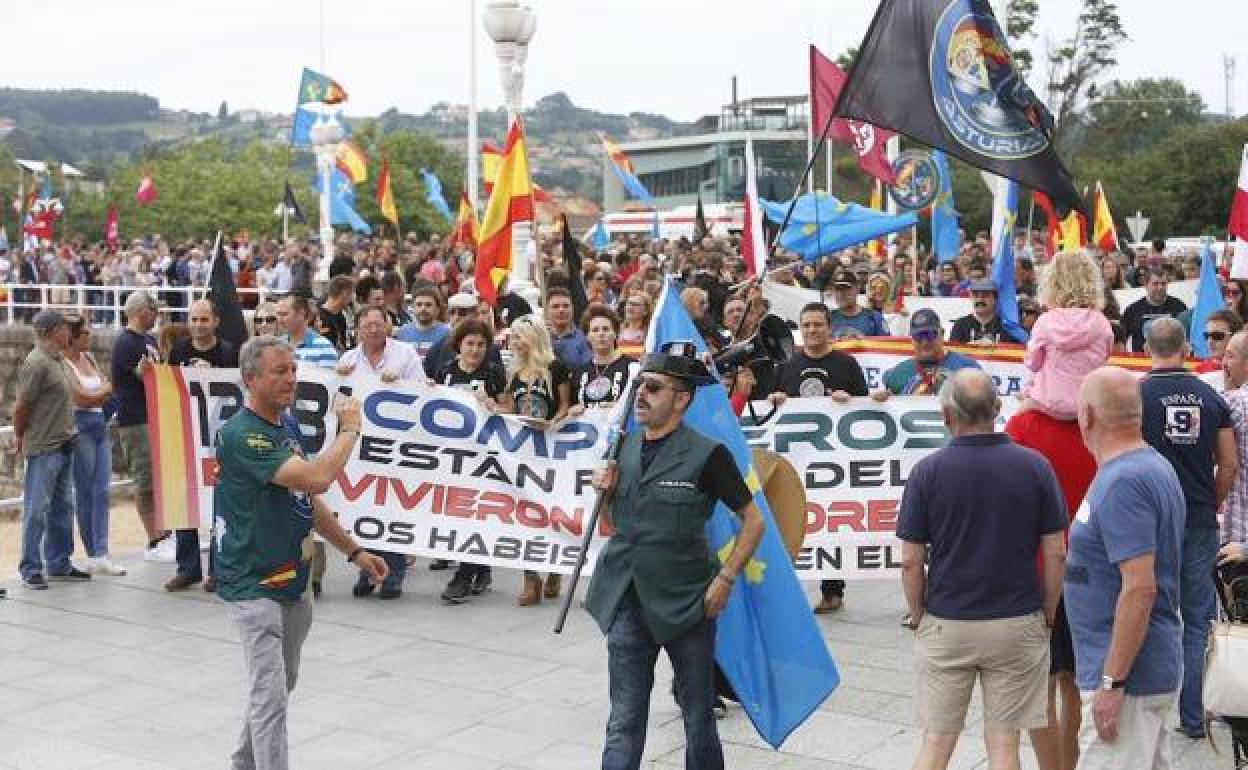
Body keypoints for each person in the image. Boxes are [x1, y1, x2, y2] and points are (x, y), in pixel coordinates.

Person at [586, 341, 765, 770]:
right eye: (640, 387)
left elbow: (753, 520)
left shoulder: (707, 454)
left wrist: (725, 579)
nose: (641, 396)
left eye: (653, 388)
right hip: (628, 597)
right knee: (624, 719)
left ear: (682, 399)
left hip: (688, 601)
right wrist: (606, 493)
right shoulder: (621, 446)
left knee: (698, 716)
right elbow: (618, 522)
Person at [215, 336, 387, 770]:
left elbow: (304, 501)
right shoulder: (242, 435)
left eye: (292, 369)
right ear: (250, 379)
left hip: (292, 581)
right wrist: (350, 429)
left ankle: (242, 762)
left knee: (277, 687)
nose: (291, 378)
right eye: (279, 371)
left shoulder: (285, 426)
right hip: (252, 584)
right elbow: (317, 479)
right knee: (270, 698)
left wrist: (355, 552)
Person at [898, 369, 1066, 770]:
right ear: (997, 408)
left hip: (948, 619)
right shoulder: (1035, 467)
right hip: (1016, 618)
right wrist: (1048, 610)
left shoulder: (927, 472)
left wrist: (918, 611)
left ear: (945, 415)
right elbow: (1057, 551)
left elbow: (910, 559)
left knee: (936, 742)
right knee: (1005, 743)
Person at [1066, 366, 1185, 770]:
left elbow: (1139, 588)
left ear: (1087, 416)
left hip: (1129, 676)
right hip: (1139, 668)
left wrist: (1111, 683)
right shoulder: (1149, 466)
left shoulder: (1124, 481)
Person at [1136, 317, 1238, 740]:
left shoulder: (1136, 394)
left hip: (1150, 519)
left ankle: (1145, 713)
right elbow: (1228, 462)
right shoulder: (1211, 398)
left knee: (1146, 611)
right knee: (1197, 621)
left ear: (1146, 349)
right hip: (1197, 517)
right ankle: (1193, 718)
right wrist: (1211, 498)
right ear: (1186, 348)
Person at [767, 303, 867, 613]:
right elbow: (770, 411)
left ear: (828, 328)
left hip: (833, 459)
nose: (812, 330)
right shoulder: (785, 367)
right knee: (790, 519)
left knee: (831, 520)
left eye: (818, 325)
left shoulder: (847, 364)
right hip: (796, 459)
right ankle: (785, 588)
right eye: (806, 325)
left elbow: (864, 409)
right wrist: (776, 400)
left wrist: (848, 402)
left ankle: (832, 590)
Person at [337, 305, 425, 600]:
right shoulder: (348, 359)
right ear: (358, 329)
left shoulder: (405, 355)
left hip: (395, 444)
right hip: (360, 445)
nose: (373, 329)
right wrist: (338, 378)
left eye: (378, 324)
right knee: (365, 507)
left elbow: (422, 391)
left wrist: (398, 384)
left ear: (388, 326)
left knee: (393, 507)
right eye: (367, 325)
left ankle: (394, 574)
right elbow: (337, 399)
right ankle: (368, 569)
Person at [13, 310, 93, 590]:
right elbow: (22, 405)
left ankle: (59, 562)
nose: (68, 332)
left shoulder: (56, 359)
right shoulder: (36, 364)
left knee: (62, 508)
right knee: (37, 510)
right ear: (52, 331)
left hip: (62, 445)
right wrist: (19, 435)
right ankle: (31, 568)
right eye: (64, 327)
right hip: (44, 447)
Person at [164, 299, 240, 592]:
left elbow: (239, 391)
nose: (198, 325)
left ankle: (218, 570)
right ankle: (188, 568)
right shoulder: (178, 351)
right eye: (194, 319)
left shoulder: (228, 352)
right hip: (185, 437)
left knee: (218, 503)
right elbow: (167, 388)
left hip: (217, 440)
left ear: (216, 321)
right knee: (183, 500)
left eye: (203, 319)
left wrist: (210, 375)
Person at [497, 314, 571, 605]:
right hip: (523, 452)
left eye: (518, 337)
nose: (514, 343)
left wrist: (552, 423)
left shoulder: (555, 368)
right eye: (512, 338)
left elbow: (565, 406)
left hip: (552, 451)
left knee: (553, 512)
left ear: (533, 337)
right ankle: (530, 578)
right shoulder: (514, 373)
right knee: (524, 514)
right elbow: (511, 410)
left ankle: (555, 569)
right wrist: (490, 407)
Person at [435, 319, 509, 604]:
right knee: (458, 513)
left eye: (481, 345)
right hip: (453, 454)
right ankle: (481, 567)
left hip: (483, 454)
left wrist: (492, 405)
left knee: (474, 511)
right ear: (459, 346)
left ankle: (463, 577)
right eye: (470, 344)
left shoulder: (492, 373)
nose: (476, 350)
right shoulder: (446, 372)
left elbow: (507, 409)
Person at [277, 293, 339, 595]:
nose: (280, 319)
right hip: (283, 437)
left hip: (311, 438)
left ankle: (314, 574)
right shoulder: (277, 347)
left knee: (312, 505)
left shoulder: (324, 349)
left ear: (302, 314)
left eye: (285, 313)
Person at [111, 290, 174, 561]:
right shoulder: (125, 342)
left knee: (158, 479)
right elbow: (142, 377)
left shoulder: (148, 339)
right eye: (153, 310)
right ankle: (154, 539)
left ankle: (164, 534)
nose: (157, 315)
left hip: (153, 417)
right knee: (145, 480)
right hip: (136, 419)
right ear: (141, 312)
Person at [1022, 251, 1115, 421]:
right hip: (1089, 407)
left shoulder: (1045, 322)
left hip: (1048, 405)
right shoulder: (1102, 323)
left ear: (1052, 282)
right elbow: (1105, 358)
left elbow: (1033, 364)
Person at [64, 316, 124, 577]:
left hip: (99, 424)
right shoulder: (66, 364)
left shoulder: (88, 359)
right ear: (74, 336)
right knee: (85, 492)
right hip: (81, 426)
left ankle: (101, 551)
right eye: (86, 333)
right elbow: (82, 398)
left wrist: (100, 394)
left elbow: (102, 392)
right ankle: (93, 552)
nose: (90, 336)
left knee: (102, 491)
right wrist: (103, 391)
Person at [874, 308, 981, 398]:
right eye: (918, 336)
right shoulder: (898, 374)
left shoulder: (968, 368)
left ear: (942, 334)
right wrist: (882, 401)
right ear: (911, 339)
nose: (924, 342)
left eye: (930, 335)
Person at [569, 305, 636, 412]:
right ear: (587, 336)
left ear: (615, 333)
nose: (601, 334)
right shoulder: (579, 373)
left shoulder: (633, 368)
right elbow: (570, 407)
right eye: (595, 330)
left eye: (606, 329)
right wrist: (573, 411)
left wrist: (618, 407)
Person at [1120, 269, 1187, 352]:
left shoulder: (1179, 306)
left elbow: (1186, 338)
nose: (1160, 287)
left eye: (1163, 284)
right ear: (1146, 285)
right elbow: (1121, 339)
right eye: (1155, 284)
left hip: (1171, 360)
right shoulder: (1132, 310)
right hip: (1141, 361)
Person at [948, 279, 1025, 345]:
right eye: (976, 296)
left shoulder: (1007, 326)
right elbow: (952, 352)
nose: (980, 300)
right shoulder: (960, 325)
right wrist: (971, 347)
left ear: (995, 299)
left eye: (985, 296)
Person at [827, 268, 889, 339]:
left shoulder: (874, 318)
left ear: (857, 289)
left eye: (845, 289)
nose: (840, 294)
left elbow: (886, 346)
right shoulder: (828, 318)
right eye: (836, 289)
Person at [396, 286, 450, 357]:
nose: (423, 309)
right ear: (413, 308)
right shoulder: (402, 333)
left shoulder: (447, 334)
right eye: (419, 305)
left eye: (428, 305)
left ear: (437, 310)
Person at [547, 287, 592, 368]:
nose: (561, 310)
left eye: (565, 306)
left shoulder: (584, 338)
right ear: (547, 311)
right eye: (555, 306)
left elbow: (587, 369)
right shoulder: (540, 338)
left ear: (572, 308)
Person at [1193, 308, 1243, 374]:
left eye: (1217, 336)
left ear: (1235, 336)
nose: (1210, 341)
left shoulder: (1243, 371)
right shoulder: (1199, 371)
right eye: (1207, 336)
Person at [316, 275, 355, 353]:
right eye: (351, 294)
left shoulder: (342, 316)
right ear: (344, 293)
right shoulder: (318, 318)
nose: (352, 299)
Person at [618, 290, 652, 358]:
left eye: (635, 305)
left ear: (645, 311)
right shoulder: (617, 330)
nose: (630, 307)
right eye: (629, 303)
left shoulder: (649, 333)